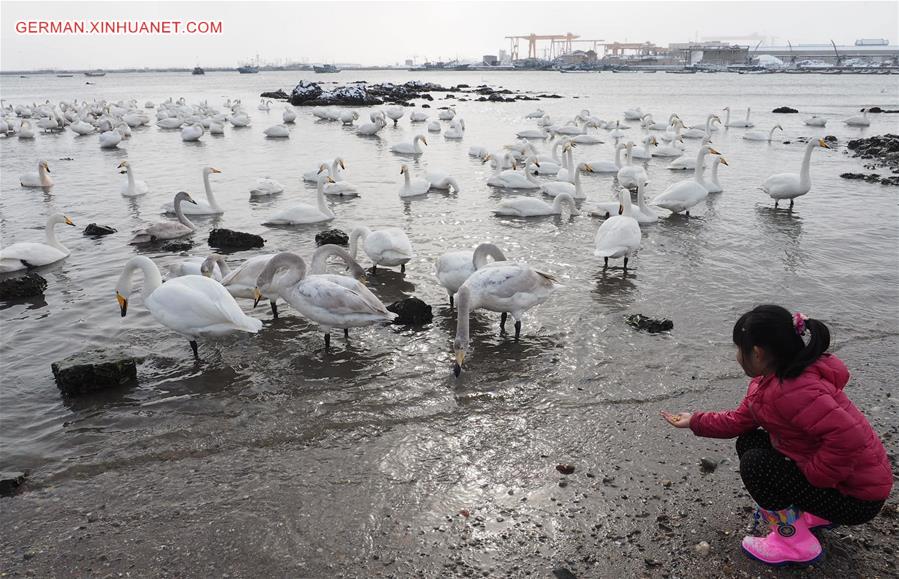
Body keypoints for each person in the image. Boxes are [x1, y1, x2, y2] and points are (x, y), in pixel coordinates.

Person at [661, 305, 891, 566]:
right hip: (847, 484)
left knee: (756, 466)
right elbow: (740, 421)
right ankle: (809, 514)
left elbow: (848, 440)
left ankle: (794, 543)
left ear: (757, 353)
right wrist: (695, 420)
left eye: (739, 349)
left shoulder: (793, 390)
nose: (737, 356)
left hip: (856, 498)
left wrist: (817, 478)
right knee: (750, 441)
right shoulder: (776, 378)